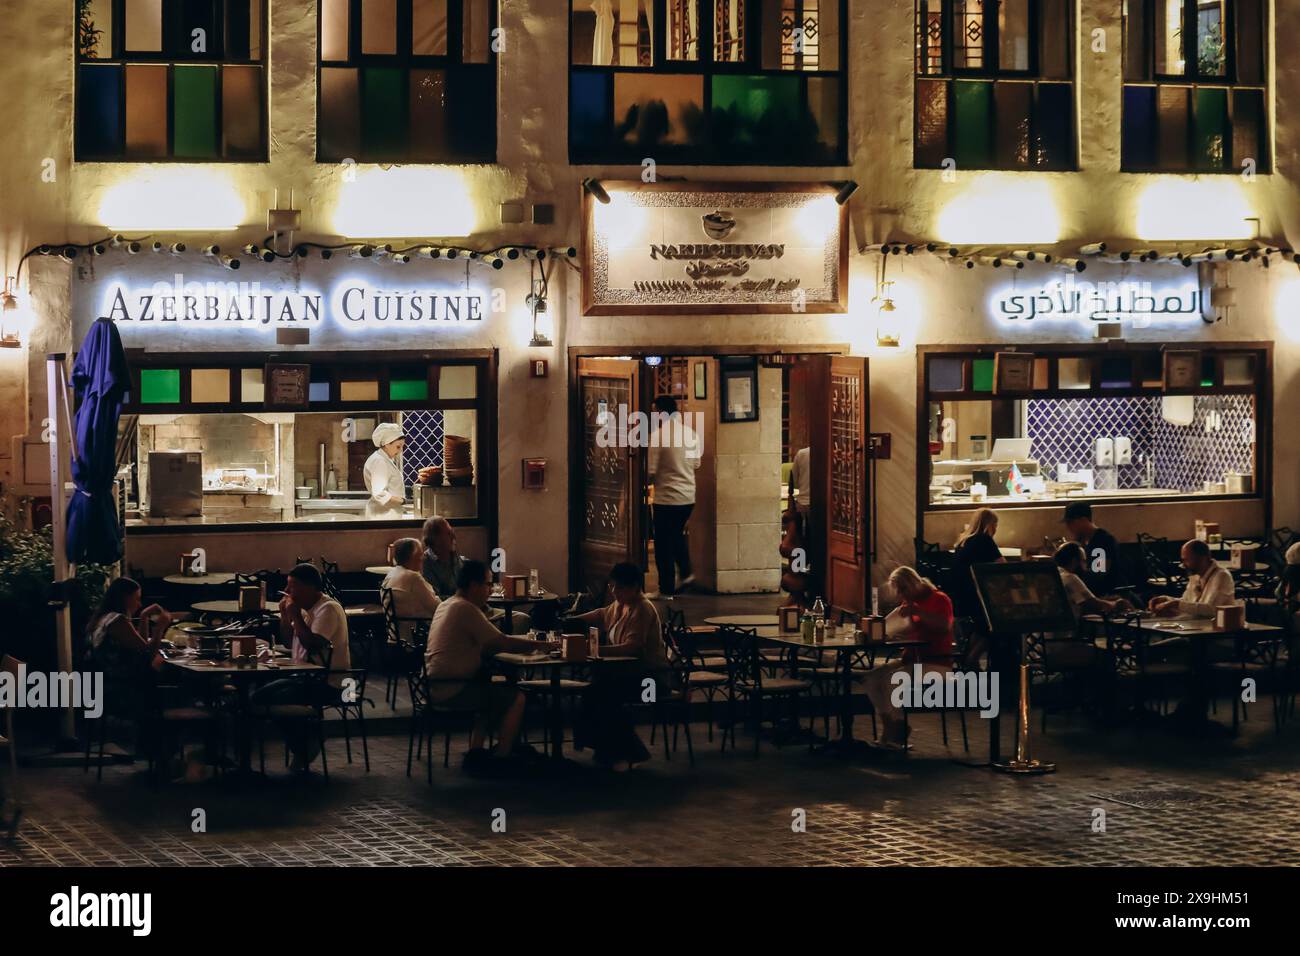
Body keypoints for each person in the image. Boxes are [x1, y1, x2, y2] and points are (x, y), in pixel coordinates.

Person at [424, 559, 551, 768]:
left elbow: (491, 643)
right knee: (516, 698)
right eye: (488, 584)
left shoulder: (447, 604)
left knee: (493, 691)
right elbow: (501, 642)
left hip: (434, 685)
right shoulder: (465, 609)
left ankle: (476, 751)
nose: (490, 589)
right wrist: (541, 645)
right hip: (453, 688)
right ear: (473, 586)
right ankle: (502, 757)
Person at [567, 562, 671, 769]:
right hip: (627, 674)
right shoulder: (620, 606)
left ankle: (621, 752)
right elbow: (601, 613)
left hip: (650, 679)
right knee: (595, 692)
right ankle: (609, 750)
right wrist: (571, 621)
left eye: (620, 588)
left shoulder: (642, 609)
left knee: (605, 695)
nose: (614, 592)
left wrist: (594, 650)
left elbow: (633, 648)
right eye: (612, 587)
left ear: (634, 588)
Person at [254, 564, 352, 770]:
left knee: (279, 700)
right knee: (259, 697)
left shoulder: (328, 608)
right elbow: (289, 642)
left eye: (293, 587)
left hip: (330, 681)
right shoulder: (304, 609)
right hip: (302, 676)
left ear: (310, 588)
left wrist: (295, 615)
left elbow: (312, 644)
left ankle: (306, 744)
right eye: (287, 587)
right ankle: (304, 743)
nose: (288, 592)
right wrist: (285, 616)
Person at [861, 567, 955, 749]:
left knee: (892, 680)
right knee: (871, 678)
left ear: (913, 583)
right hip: (913, 661)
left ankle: (896, 730)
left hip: (936, 662)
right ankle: (892, 726)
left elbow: (944, 626)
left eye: (903, 590)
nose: (902, 596)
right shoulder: (911, 602)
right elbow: (913, 630)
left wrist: (918, 612)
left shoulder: (939, 599)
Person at [646, 394, 702, 598]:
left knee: (663, 544)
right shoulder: (691, 434)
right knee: (676, 534)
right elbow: (696, 464)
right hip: (687, 497)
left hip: (666, 498)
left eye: (654, 412)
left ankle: (666, 589)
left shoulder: (658, 436)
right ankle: (686, 573)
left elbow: (651, 471)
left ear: (660, 412)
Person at [84, 577, 170, 684]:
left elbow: (140, 646)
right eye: (137, 599)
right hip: (116, 683)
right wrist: (160, 628)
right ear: (125, 598)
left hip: (108, 678)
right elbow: (147, 656)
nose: (140, 604)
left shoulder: (106, 616)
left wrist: (144, 616)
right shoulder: (117, 621)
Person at [1148, 539, 1236, 619]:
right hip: (1197, 626)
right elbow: (1188, 602)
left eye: (1187, 560)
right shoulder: (1196, 575)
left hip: (1217, 631)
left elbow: (1212, 610)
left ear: (1203, 558)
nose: (1183, 565)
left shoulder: (1221, 576)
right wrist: (1167, 600)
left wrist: (1175, 604)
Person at [382, 537, 441, 642]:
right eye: (420, 554)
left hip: (395, 637)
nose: (423, 558)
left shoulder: (391, 575)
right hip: (415, 639)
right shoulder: (413, 578)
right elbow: (437, 608)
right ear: (412, 557)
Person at [1055, 543, 1134, 620]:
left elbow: (1082, 601)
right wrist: (1117, 604)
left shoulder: (1056, 574)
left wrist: (1107, 600)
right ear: (1074, 561)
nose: (1086, 567)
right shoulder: (1070, 577)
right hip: (1070, 631)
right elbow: (1094, 605)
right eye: (1083, 561)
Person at [1063, 502, 1122, 595]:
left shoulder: (1101, 540)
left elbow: (1098, 573)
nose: (1068, 527)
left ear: (1083, 520)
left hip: (1107, 593)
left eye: (1070, 523)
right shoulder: (1084, 540)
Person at [364, 422, 406, 519]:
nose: (400, 451)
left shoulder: (382, 459)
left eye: (402, 447)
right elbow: (379, 493)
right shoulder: (380, 461)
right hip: (383, 516)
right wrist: (402, 501)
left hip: (385, 514)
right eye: (398, 446)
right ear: (387, 444)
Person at [420, 515, 464, 599]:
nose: (453, 536)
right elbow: (435, 598)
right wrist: (463, 599)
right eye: (448, 533)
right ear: (435, 539)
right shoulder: (425, 564)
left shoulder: (456, 558)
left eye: (452, 532)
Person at [788, 446, 811, 513]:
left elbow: (794, 479)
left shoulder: (801, 453)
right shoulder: (832, 454)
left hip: (803, 502)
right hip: (827, 505)